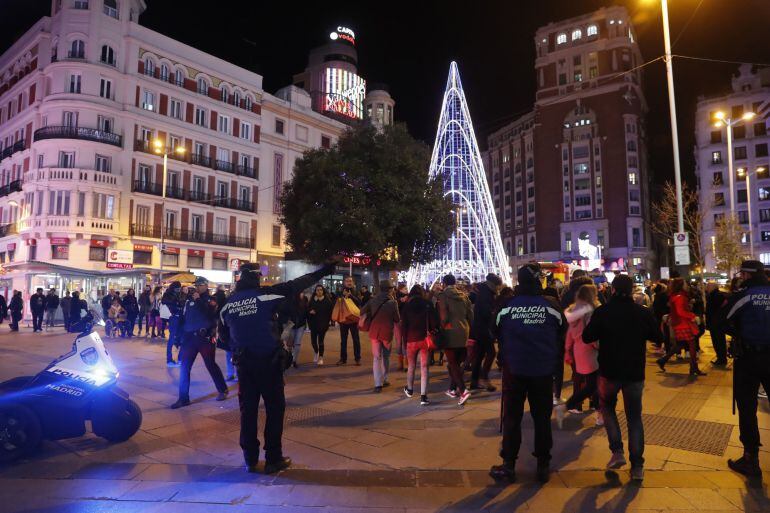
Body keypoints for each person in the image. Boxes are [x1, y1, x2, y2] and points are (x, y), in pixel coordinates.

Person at [219, 260, 335, 474]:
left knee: (248, 411)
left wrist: (242, 345)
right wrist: (325, 270)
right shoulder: (265, 295)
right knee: (274, 409)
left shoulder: (227, 304)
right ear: (256, 277)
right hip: (269, 363)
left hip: (244, 365)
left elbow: (222, 339)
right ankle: (273, 458)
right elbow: (296, 284)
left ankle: (249, 459)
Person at [489, 263, 565, 483]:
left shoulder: (507, 305)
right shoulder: (551, 305)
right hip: (542, 369)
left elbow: (493, 329)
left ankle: (509, 464)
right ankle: (543, 464)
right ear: (536, 281)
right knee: (542, 418)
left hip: (515, 369)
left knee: (512, 418)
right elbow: (562, 329)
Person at [582, 274, 662, 482]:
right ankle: (637, 466)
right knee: (634, 416)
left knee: (607, 407)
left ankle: (617, 451)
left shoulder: (603, 312)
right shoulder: (641, 313)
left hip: (610, 371)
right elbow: (657, 337)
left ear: (614, 290)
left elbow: (587, 336)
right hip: (634, 372)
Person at [717, 260, 770, 476]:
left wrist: (737, 333)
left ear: (746, 275)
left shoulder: (744, 296)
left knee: (747, 407)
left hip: (748, 357)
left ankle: (751, 459)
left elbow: (719, 321)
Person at [171, 277, 228, 409]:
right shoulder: (188, 301)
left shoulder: (210, 300)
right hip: (189, 339)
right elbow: (183, 320)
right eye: (195, 285)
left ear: (205, 286)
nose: (196, 287)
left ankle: (222, 389)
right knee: (184, 368)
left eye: (199, 285)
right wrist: (177, 340)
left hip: (205, 338)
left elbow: (210, 314)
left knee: (210, 364)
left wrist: (198, 299)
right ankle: (183, 398)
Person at [557, 284, 602, 426]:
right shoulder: (590, 311)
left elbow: (569, 334)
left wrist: (568, 350)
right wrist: (598, 346)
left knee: (591, 382)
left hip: (578, 350)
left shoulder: (574, 310)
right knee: (596, 384)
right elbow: (592, 333)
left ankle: (596, 411)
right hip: (591, 350)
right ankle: (597, 413)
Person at [436, 274, 474, 405]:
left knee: (452, 362)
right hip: (464, 329)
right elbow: (470, 314)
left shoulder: (443, 296)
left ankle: (463, 390)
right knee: (456, 362)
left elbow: (444, 316)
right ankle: (452, 389)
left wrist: (440, 327)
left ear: (444, 283)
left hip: (450, 330)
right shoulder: (464, 295)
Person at [656, 278, 706, 377]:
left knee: (683, 344)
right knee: (692, 345)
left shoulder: (677, 295)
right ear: (680, 285)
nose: (686, 285)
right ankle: (694, 368)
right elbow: (680, 312)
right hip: (683, 324)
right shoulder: (679, 296)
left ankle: (663, 360)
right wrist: (692, 316)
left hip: (680, 323)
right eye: (684, 284)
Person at [400, 284, 438, 405]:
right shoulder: (427, 304)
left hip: (411, 340)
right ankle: (423, 396)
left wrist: (404, 341)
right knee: (424, 367)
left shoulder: (407, 306)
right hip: (424, 340)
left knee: (411, 366)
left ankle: (410, 389)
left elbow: (403, 326)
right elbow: (434, 322)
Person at [361, 280, 401, 393]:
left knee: (376, 358)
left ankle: (377, 384)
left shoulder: (372, 300)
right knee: (386, 357)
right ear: (389, 289)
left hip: (374, 332)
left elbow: (362, 311)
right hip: (386, 333)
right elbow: (397, 319)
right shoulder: (393, 302)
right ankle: (385, 379)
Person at [470, 273, 502, 392]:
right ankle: (483, 378)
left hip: (479, 327)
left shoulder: (484, 291)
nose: (498, 288)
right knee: (491, 353)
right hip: (484, 328)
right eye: (498, 286)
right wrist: (493, 315)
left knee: (479, 355)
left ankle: (474, 381)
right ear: (493, 284)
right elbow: (486, 312)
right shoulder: (486, 294)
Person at [337, 276, 362, 366]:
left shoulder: (356, 291)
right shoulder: (340, 291)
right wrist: (343, 297)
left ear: (353, 283)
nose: (349, 282)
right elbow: (337, 303)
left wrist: (351, 296)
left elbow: (359, 302)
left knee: (356, 339)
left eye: (350, 281)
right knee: (343, 340)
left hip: (354, 319)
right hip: (344, 319)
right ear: (344, 282)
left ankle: (357, 358)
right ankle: (343, 359)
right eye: (347, 281)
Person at [307, 285, 332, 365]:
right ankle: (316, 352)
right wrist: (310, 312)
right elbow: (307, 309)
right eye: (317, 290)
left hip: (323, 325)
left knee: (321, 342)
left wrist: (328, 323)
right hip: (313, 324)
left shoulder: (327, 300)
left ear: (323, 291)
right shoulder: (312, 300)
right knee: (313, 342)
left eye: (321, 290)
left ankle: (321, 357)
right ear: (315, 291)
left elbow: (330, 312)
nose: (319, 291)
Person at [705, 282, 728, 366]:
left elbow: (718, 309)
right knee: (718, 341)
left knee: (718, 341)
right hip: (716, 322)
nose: (706, 287)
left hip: (716, 323)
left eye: (708, 286)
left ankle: (721, 359)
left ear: (712, 287)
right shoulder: (715, 295)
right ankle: (721, 358)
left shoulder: (716, 296)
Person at [162, 282, 184, 367]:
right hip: (173, 317)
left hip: (179, 318)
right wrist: (176, 303)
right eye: (177, 288)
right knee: (172, 339)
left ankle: (179, 359)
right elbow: (165, 302)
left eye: (179, 288)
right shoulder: (168, 294)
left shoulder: (177, 294)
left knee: (181, 338)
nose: (178, 290)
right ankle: (169, 360)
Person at [289, 292, 309, 368]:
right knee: (290, 344)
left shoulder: (305, 299)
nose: (301, 294)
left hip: (301, 324)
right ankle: (289, 358)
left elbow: (306, 310)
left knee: (297, 343)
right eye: (300, 293)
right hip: (291, 324)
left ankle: (294, 360)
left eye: (302, 293)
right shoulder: (290, 299)